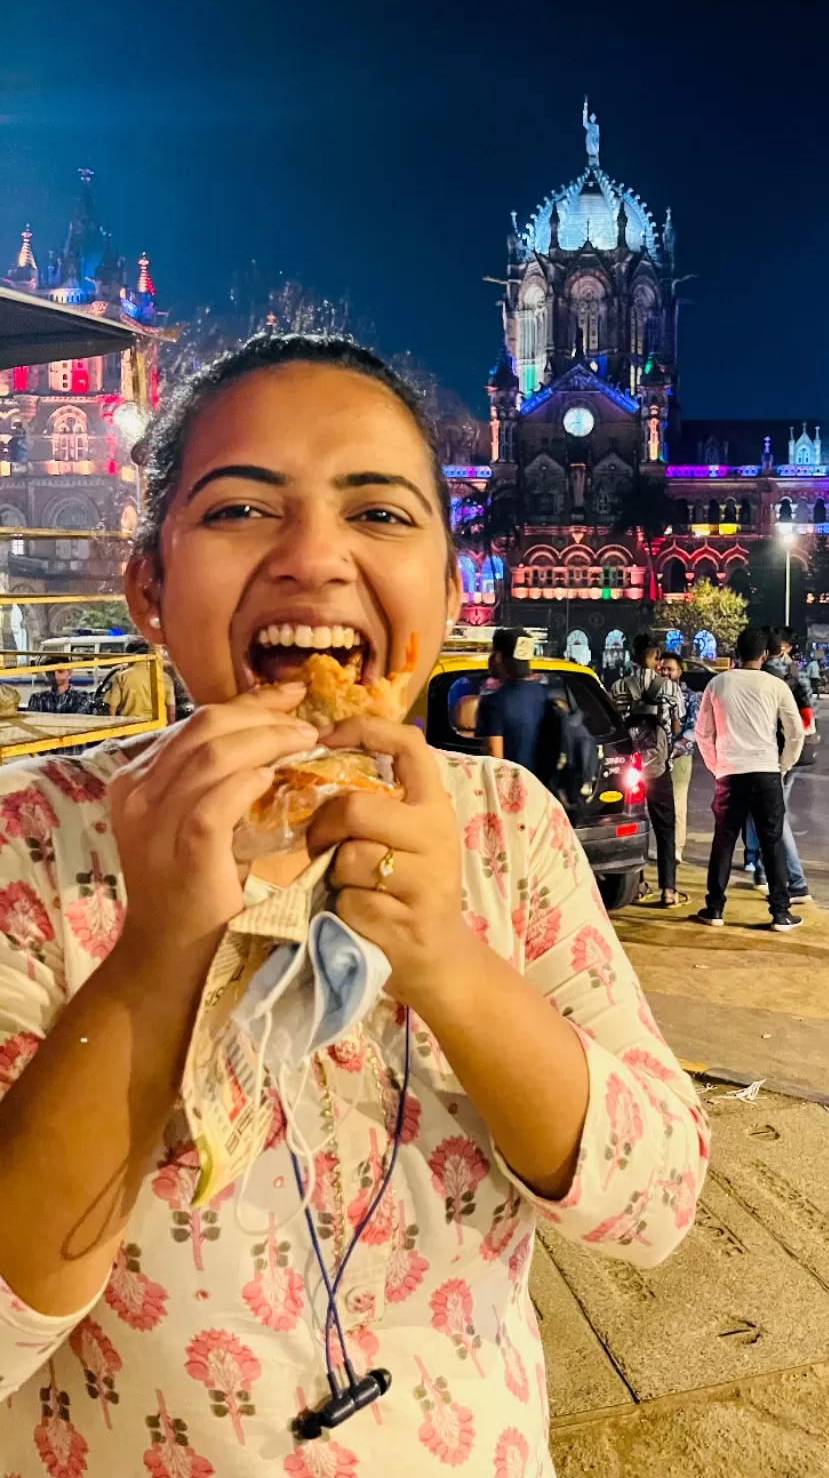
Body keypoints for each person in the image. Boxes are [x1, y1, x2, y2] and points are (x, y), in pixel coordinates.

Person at [0, 334, 706, 1474]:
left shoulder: (507, 830)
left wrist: (447, 959)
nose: (315, 559)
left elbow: (656, 1206)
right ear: (148, 585)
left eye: (379, 515)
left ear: (453, 587)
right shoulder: (28, 841)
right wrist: (157, 949)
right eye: (239, 512)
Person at [693, 625, 805, 930]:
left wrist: (718, 767)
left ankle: (714, 908)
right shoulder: (775, 686)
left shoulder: (718, 685)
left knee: (724, 841)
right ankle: (780, 912)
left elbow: (703, 734)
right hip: (766, 773)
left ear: (736, 652)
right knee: (772, 843)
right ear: (766, 654)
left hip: (730, 774)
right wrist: (783, 765)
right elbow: (796, 732)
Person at [613, 634, 681, 905]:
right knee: (665, 827)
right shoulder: (669, 687)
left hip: (630, 768)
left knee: (634, 825)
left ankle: (638, 885)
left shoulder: (618, 686)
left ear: (632, 656)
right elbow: (676, 727)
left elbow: (615, 725)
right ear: (656, 658)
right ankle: (669, 890)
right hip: (660, 767)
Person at [759, 629, 814, 904]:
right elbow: (808, 707)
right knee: (772, 813)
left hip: (770, 754)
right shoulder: (795, 672)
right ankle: (763, 871)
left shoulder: (765, 676)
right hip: (789, 751)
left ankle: (796, 881)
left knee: (775, 817)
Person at [475, 625, 552, 770]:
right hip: (546, 790)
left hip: (516, 788)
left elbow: (494, 760)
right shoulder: (548, 696)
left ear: (498, 657)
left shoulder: (494, 703)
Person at [660, 650, 699, 862]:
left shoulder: (689, 697)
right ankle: (661, 844)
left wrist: (674, 749)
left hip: (680, 758)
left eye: (670, 669)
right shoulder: (655, 695)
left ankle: (677, 848)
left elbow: (693, 729)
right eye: (663, 668)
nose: (665, 672)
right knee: (657, 804)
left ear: (679, 672)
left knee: (677, 804)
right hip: (657, 757)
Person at [94, 638, 176, 722]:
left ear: (129, 656)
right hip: (158, 730)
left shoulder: (122, 676)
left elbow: (112, 709)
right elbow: (171, 711)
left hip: (131, 729)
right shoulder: (164, 677)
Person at [26, 666, 91, 715]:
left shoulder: (81, 698)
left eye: (60, 671)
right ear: (47, 674)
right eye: (51, 672)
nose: (55, 675)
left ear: (69, 673)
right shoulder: (37, 699)